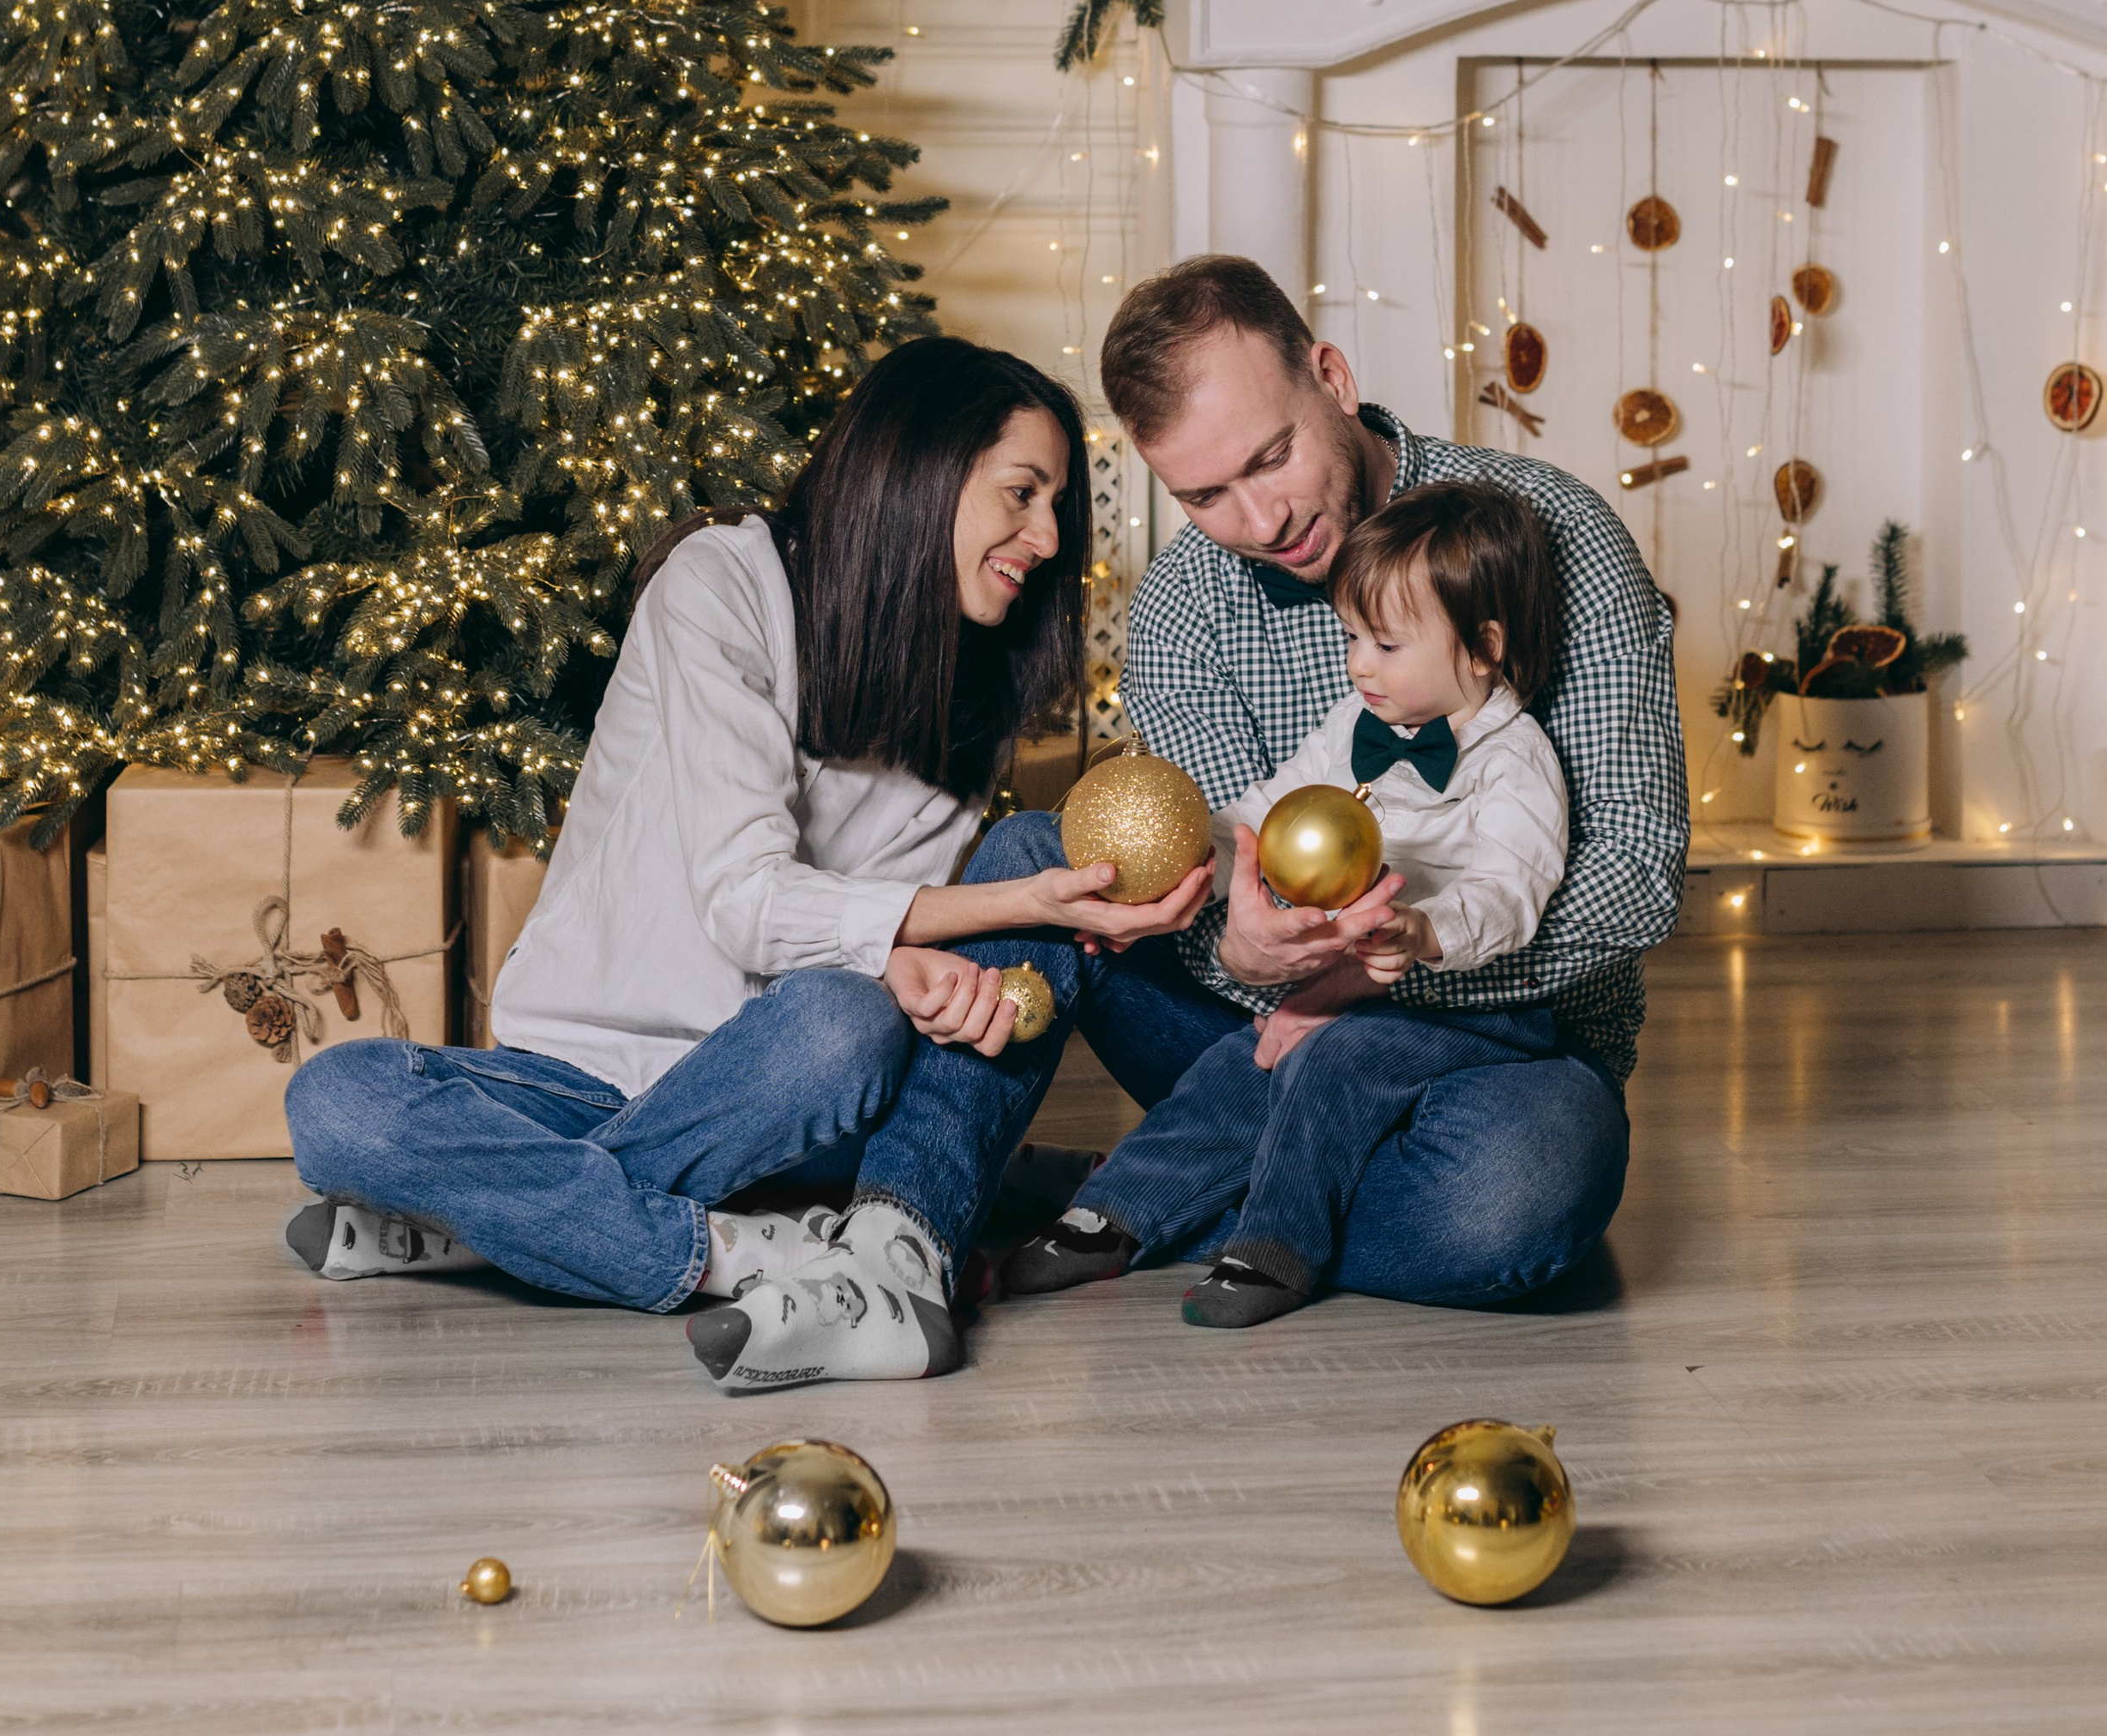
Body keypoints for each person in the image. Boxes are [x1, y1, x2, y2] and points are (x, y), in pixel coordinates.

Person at [709, 253, 1684, 1376]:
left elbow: (1634, 877)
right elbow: (1216, 852)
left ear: (1332, 378)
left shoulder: (1549, 535)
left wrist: (1375, 973)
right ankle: (901, 1242)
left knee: (1519, 1200)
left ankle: (1158, 1197)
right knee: (1032, 852)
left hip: (1500, 1049)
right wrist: (1238, 945)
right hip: (1253, 1039)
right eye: (1207, 495)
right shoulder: (1183, 607)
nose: (1263, 519)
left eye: (1272, 457)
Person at [279, 336, 1211, 1379]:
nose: (1048, 537)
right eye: (1022, 493)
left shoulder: (970, 691)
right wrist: (1009, 903)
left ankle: (491, 1224)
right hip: (577, 1076)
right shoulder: (721, 580)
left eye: (1057, 507)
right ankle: (724, 1249)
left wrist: (913, 966)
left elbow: (853, 975)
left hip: (781, 1092)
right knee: (338, 1100)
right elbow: (747, 903)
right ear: (921, 467)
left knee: (842, 1023)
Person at [1001, 478, 1569, 1327]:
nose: (1359, 664)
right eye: (1352, 637)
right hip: (1335, 988)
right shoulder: (1354, 721)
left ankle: (1275, 1246)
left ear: (1483, 647)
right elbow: (1269, 809)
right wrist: (1201, 861)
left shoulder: (1514, 759)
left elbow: (1511, 888)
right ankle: (1110, 1214)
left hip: (1468, 1007)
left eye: (1385, 643)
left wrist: (1424, 930)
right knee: (1244, 1063)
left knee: (1326, 1063)